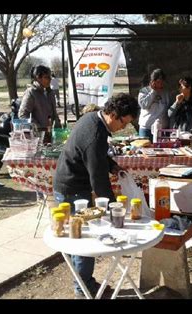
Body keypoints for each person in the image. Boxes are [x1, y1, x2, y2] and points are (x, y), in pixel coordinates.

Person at [52, 93, 140, 298]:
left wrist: (113, 166)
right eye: (124, 123)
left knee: (79, 237)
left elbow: (96, 158)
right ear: (114, 114)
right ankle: (83, 289)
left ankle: (84, 282)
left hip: (70, 185)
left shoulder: (92, 118)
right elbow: (98, 180)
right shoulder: (96, 135)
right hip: (72, 189)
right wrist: (113, 210)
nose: (123, 129)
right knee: (84, 240)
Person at [18, 65, 61, 142]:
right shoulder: (31, 92)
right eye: (46, 77)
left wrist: (58, 126)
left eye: (50, 77)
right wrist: (37, 126)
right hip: (38, 137)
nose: (50, 79)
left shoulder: (50, 92)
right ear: (38, 78)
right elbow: (23, 115)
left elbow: (54, 112)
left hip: (52, 134)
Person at [138, 68, 171, 142]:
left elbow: (168, 109)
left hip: (162, 129)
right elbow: (144, 105)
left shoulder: (166, 93)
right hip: (147, 129)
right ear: (153, 82)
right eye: (159, 82)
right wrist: (153, 92)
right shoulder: (144, 91)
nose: (161, 84)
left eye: (163, 82)